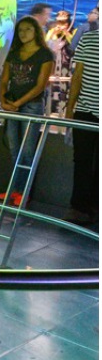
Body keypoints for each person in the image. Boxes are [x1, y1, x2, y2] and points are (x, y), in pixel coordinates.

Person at [0, 15, 55, 206]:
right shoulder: (13, 53)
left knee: (28, 151)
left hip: (31, 106)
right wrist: (4, 101)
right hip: (12, 104)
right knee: (14, 149)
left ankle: (24, 192)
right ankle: (14, 190)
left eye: (28, 29)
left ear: (36, 31)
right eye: (20, 30)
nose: (23, 33)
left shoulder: (45, 55)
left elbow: (40, 86)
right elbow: (4, 80)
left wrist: (18, 103)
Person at [64, 28, 98, 226]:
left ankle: (92, 207)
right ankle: (78, 208)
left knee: (87, 162)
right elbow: (78, 76)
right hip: (84, 110)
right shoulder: (88, 38)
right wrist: (70, 109)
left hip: (86, 110)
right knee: (82, 160)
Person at [45, 10, 75, 116]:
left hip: (65, 62)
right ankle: (50, 108)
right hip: (53, 62)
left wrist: (66, 33)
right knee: (52, 85)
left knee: (64, 85)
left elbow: (74, 44)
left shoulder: (73, 31)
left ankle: (63, 108)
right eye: (59, 22)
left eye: (64, 22)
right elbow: (46, 44)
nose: (61, 25)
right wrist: (53, 33)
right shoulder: (52, 31)